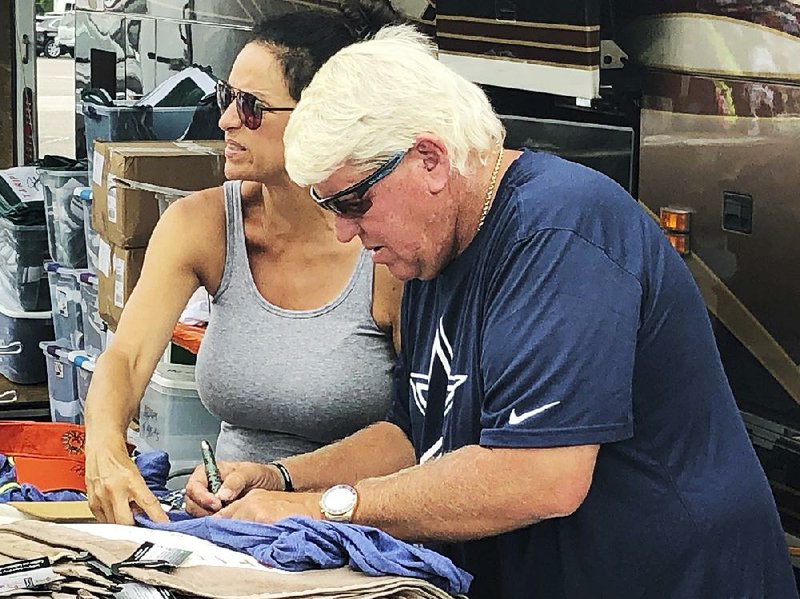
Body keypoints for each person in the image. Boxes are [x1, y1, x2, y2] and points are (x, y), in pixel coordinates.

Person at [182, 25, 798, 598]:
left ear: (429, 158)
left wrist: (319, 508)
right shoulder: (430, 247)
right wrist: (283, 480)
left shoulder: (560, 233)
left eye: (354, 201)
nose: (346, 233)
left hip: (672, 579)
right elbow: (413, 435)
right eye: (329, 208)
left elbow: (539, 475)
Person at [83, 1, 404, 526]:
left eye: (252, 106)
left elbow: (417, 432)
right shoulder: (202, 224)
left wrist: (279, 481)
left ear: (321, 119)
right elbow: (125, 356)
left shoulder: (384, 251)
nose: (227, 119)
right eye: (226, 96)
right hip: (231, 519)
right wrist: (105, 447)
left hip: (354, 523)